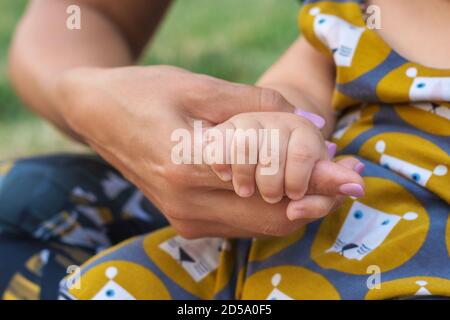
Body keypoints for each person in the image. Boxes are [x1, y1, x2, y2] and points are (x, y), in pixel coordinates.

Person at [2, 0, 449, 300]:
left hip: (420, 261)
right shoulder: (343, 16)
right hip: (291, 240)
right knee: (112, 280)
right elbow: (287, 96)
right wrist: (269, 133)